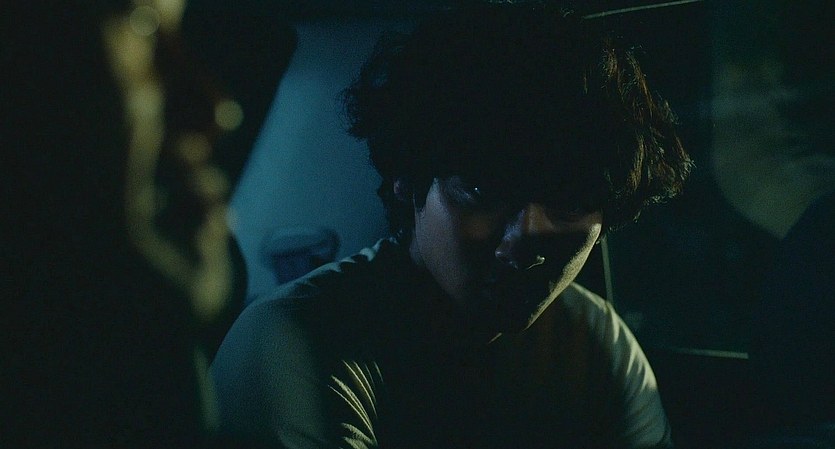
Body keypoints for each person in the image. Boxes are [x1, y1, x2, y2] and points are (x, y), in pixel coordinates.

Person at [210, 3, 692, 448]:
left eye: (568, 202)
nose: (525, 239)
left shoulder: (596, 341)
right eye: (482, 190)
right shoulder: (292, 345)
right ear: (407, 180)